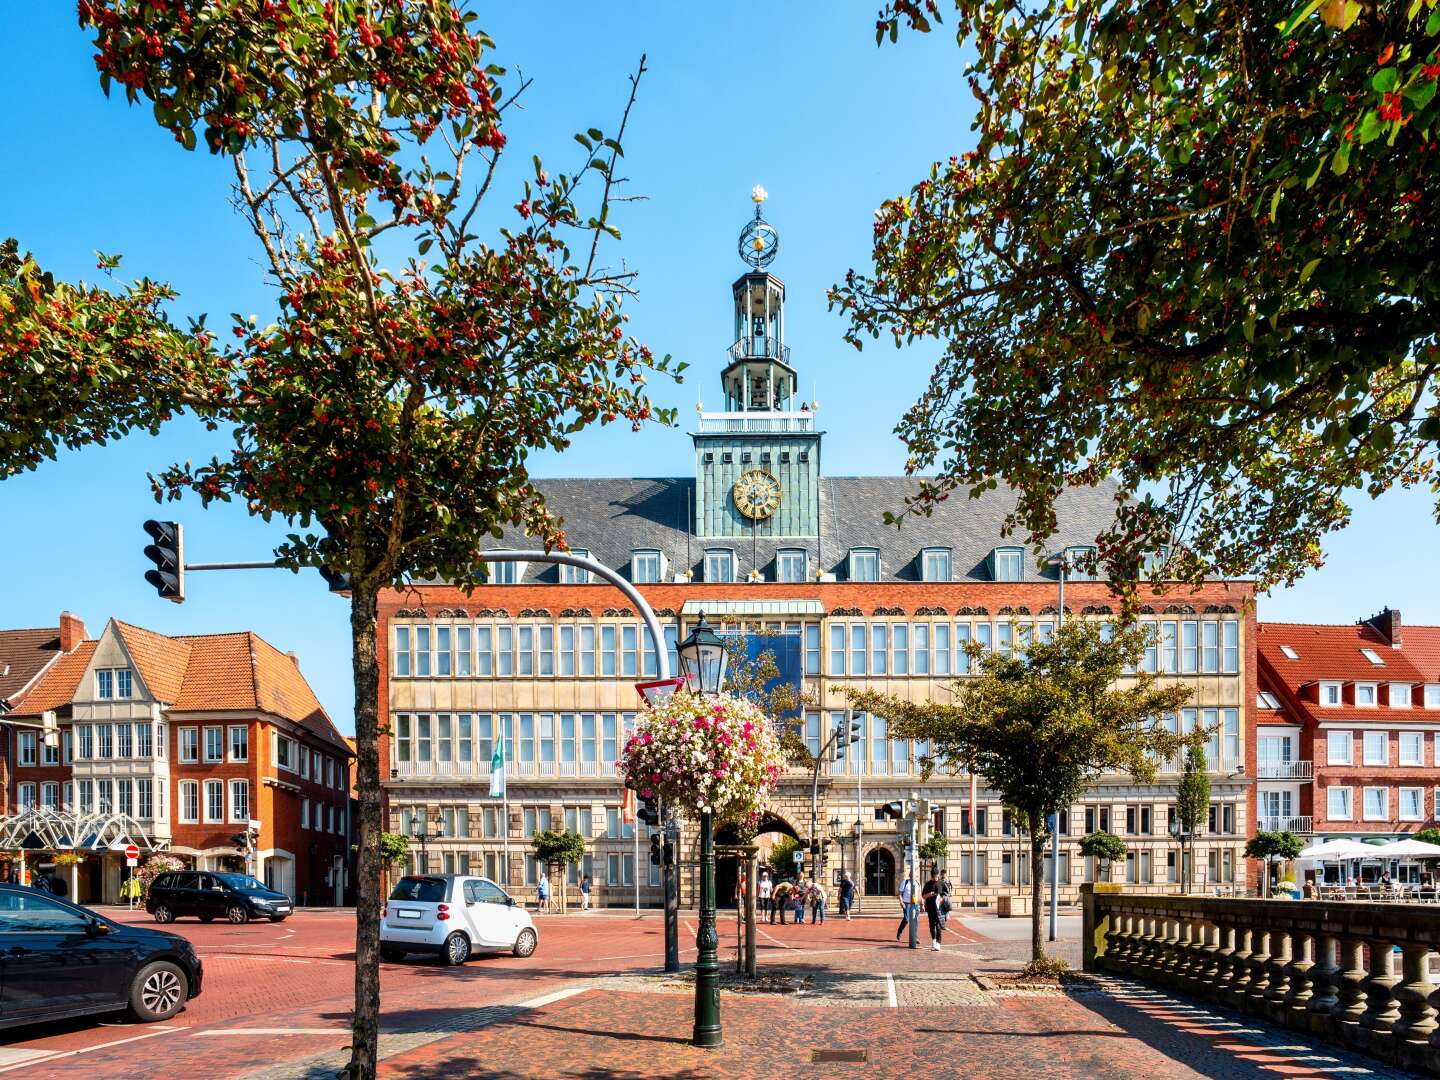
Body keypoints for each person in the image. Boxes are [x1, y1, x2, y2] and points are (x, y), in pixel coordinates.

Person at [921, 873, 942, 951]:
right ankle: (934, 941)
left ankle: (938, 943)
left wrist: (942, 898)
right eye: (934, 877)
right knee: (932, 925)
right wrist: (929, 895)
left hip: (939, 909)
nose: (936, 878)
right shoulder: (928, 884)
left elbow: (946, 894)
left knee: (938, 925)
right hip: (930, 908)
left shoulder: (941, 883)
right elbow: (923, 896)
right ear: (931, 876)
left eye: (937, 876)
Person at [896, 876, 915, 940]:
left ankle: (915, 937)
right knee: (906, 919)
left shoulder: (917, 883)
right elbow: (900, 893)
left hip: (915, 904)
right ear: (910, 875)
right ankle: (899, 932)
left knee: (915, 920)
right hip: (906, 903)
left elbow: (919, 893)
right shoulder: (905, 882)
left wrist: (922, 903)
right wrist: (901, 902)